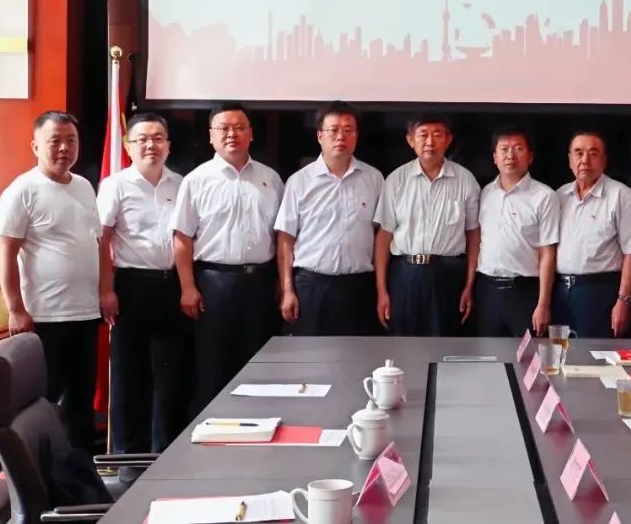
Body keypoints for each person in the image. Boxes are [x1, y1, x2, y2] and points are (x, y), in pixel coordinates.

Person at [0, 111, 102, 451]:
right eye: (55, 141)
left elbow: (94, 243)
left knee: (80, 403)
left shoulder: (84, 186)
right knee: (42, 403)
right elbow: (6, 254)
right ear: (35, 146)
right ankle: (36, 474)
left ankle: (79, 473)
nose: (64, 148)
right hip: (44, 317)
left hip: (85, 313)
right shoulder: (21, 190)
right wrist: (16, 309)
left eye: (71, 141)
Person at [170, 104, 283, 413]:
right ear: (211, 135)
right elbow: (182, 238)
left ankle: (260, 426)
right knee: (214, 365)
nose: (232, 134)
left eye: (239, 127)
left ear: (251, 134)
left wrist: (281, 283)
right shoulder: (196, 180)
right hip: (214, 283)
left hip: (260, 282)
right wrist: (188, 287)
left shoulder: (270, 179)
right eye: (224, 128)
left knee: (259, 363)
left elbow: (281, 236)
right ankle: (214, 430)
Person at [97, 112, 191, 458]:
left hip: (171, 285)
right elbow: (102, 241)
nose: (151, 145)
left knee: (171, 374)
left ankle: (166, 453)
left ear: (168, 145)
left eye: (158, 138)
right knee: (130, 375)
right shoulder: (115, 185)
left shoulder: (181, 184)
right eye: (143, 139)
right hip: (131, 285)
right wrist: (106, 289)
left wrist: (187, 286)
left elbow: (186, 238)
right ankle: (128, 457)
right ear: (128, 146)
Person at [275, 101, 384, 336]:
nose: (340, 136)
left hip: (358, 287)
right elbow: (285, 239)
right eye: (333, 130)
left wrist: (380, 289)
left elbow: (381, 237)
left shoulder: (374, 179)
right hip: (312, 286)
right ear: (320, 136)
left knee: (358, 354)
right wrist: (287, 290)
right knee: (310, 355)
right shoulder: (299, 181)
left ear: (356, 136)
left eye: (348, 130)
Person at [374, 114, 480, 335]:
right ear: (410, 140)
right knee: (403, 343)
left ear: (448, 140)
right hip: (405, 275)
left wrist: (469, 285)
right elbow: (384, 236)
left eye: (437, 135)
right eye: (423, 135)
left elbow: (473, 235)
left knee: (446, 342)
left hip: (449, 276)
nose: (430, 142)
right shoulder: (396, 180)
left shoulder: (465, 180)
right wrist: (382, 291)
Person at [554, 132, 631, 338]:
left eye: (593, 153)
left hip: (600, 291)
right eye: (578, 153)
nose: (585, 160)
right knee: (561, 354)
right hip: (560, 292)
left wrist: (624, 300)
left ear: (604, 160)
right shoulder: (559, 196)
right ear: (570, 159)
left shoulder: (620, 195)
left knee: (595, 354)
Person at [474, 126, 559, 336]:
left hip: (524, 291)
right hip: (486, 290)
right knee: (486, 352)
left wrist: (543, 304)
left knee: (528, 354)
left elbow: (548, 253)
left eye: (518, 148)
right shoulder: (485, 193)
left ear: (530, 157)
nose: (510, 155)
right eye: (504, 149)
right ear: (495, 157)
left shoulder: (544, 196)